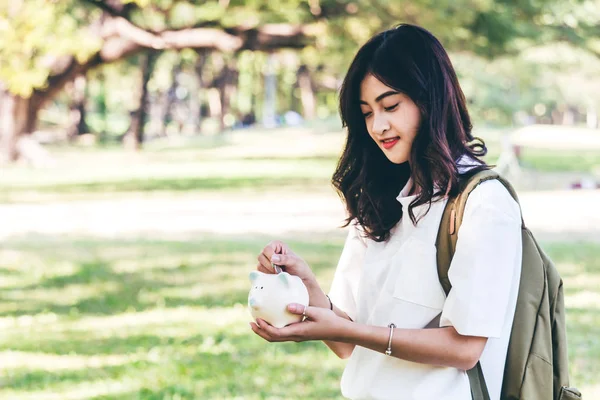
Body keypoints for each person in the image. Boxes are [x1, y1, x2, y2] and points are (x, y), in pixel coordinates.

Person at [250, 24, 522, 400]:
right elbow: (349, 343)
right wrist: (306, 285)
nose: (378, 126)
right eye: (366, 113)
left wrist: (349, 332)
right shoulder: (381, 202)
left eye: (390, 106)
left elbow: (464, 348)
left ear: (431, 100)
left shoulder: (483, 204)